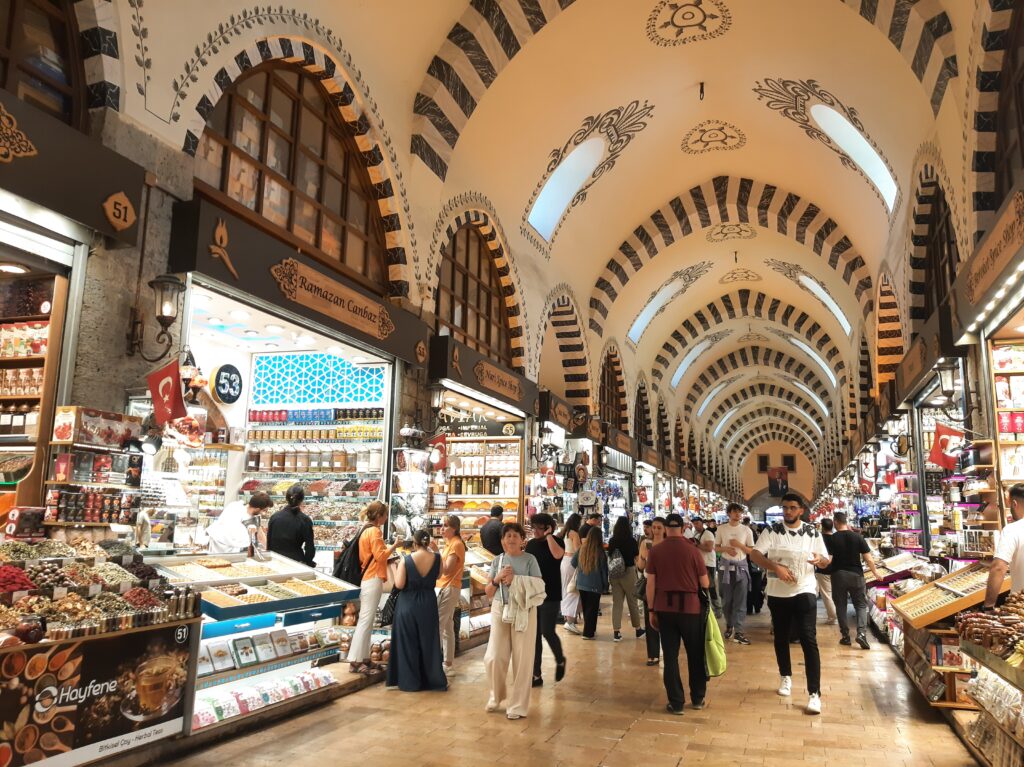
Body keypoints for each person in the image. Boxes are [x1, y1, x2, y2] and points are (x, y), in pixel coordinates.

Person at [736, 493, 831, 715]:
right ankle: (785, 677)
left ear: (801, 510)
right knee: (781, 636)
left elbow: (826, 560)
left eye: (792, 508)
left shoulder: (811, 532)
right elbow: (756, 555)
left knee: (808, 638)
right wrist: (774, 567)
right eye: (785, 507)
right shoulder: (772, 531)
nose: (788, 511)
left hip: (804, 589)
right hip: (778, 592)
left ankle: (814, 693)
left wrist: (820, 560)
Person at [646, 513, 710, 715]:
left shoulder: (656, 551)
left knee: (671, 657)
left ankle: (676, 702)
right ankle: (698, 698)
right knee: (695, 654)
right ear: (683, 529)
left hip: (665, 608)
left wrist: (650, 609)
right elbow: (705, 583)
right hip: (691, 609)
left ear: (665, 529)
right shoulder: (693, 550)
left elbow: (650, 584)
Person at [484, 523, 545, 720]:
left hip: (524, 610)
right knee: (494, 656)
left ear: (522, 540)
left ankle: (518, 706)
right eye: (507, 536)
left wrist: (515, 580)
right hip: (500, 608)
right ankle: (496, 695)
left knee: (523, 658)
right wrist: (497, 578)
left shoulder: (530, 560)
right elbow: (488, 591)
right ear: (502, 540)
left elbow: (539, 585)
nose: (511, 539)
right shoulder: (497, 561)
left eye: (514, 535)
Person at [385, 530, 448, 692]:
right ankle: (432, 679)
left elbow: (399, 584)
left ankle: (410, 682)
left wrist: (395, 569)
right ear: (427, 542)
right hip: (428, 602)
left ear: (415, 543)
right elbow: (440, 574)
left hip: (408, 603)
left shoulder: (406, 560)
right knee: (429, 642)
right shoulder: (437, 558)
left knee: (408, 642)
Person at [349, 500, 403, 675]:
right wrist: (394, 546)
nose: (387, 518)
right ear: (379, 516)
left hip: (367, 577)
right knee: (365, 621)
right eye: (385, 514)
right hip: (372, 578)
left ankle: (364, 658)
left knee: (368, 620)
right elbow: (380, 556)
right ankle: (355, 661)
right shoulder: (375, 531)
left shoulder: (365, 529)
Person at [525, 512, 566, 687]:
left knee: (547, 631)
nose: (535, 531)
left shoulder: (557, 542)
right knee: (534, 635)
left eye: (539, 528)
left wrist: (549, 535)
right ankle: (536, 674)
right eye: (533, 527)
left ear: (548, 528)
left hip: (551, 594)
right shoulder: (531, 545)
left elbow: (557, 556)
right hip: (533, 595)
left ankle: (560, 659)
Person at [830, 511, 882, 649]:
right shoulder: (858, 537)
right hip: (856, 575)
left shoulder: (832, 538)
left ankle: (845, 637)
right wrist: (875, 572)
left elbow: (828, 560)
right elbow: (868, 558)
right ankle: (861, 634)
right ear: (846, 521)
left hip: (838, 575)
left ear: (835, 522)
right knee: (860, 605)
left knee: (841, 605)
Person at [715, 502, 754, 645]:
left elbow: (751, 550)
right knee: (726, 601)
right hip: (725, 568)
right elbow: (716, 547)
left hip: (741, 568)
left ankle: (739, 631)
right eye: (735, 511)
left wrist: (739, 545)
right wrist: (726, 548)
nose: (738, 514)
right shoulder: (721, 529)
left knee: (740, 600)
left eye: (739, 512)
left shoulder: (746, 530)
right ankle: (729, 625)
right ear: (729, 513)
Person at [433, 514, 466, 677]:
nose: (442, 528)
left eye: (446, 525)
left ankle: (436, 663)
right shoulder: (450, 544)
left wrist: (435, 552)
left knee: (439, 625)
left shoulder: (456, 545)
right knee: (447, 627)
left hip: (449, 587)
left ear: (454, 528)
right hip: (445, 587)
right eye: (442, 525)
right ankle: (447, 663)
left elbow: (447, 569)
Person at [984, 484, 1024, 609]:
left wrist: (989, 606)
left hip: (1021, 607)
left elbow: (998, 568)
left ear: (1014, 504)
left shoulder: (1013, 530)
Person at [607, 516, 644, 642]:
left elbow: (610, 555)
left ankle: (616, 632)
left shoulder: (612, 540)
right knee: (632, 602)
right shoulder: (631, 540)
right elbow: (636, 557)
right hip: (628, 572)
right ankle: (638, 629)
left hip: (615, 573)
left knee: (617, 603)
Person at [636, 516, 667, 665]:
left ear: (665, 529)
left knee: (666, 619)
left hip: (666, 584)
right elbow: (641, 567)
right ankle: (653, 654)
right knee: (650, 618)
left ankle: (668, 650)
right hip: (650, 583)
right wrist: (642, 556)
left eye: (659, 527)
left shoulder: (669, 544)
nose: (655, 530)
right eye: (653, 527)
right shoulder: (645, 543)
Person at [571, 526, 609, 639]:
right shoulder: (600, 552)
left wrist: (582, 566)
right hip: (595, 585)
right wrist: (605, 585)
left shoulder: (582, 549)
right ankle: (588, 633)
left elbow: (573, 563)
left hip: (582, 583)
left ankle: (589, 630)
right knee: (592, 609)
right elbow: (604, 571)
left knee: (586, 608)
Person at [265, 484, 315, 566]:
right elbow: (309, 547)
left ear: (286, 498)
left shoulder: (274, 517)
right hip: (295, 561)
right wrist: (308, 562)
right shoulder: (305, 520)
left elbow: (269, 541)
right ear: (302, 499)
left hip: (275, 560)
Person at [207, 491, 272, 554]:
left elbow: (260, 535)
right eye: (264, 510)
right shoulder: (237, 512)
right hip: (226, 550)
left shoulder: (253, 516)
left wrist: (269, 550)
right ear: (257, 509)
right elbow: (229, 536)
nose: (264, 513)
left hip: (233, 549)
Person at [692, 518, 722, 618]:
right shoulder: (695, 534)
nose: (696, 525)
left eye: (697, 523)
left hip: (709, 563)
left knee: (711, 587)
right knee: (701, 587)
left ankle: (717, 609)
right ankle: (705, 608)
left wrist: (697, 545)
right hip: (700, 564)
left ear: (702, 524)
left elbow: (709, 548)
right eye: (694, 524)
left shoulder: (708, 533)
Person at [558, 513, 584, 634]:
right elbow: (578, 550)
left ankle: (567, 618)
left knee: (566, 589)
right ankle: (570, 620)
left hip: (565, 561)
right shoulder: (574, 534)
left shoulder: (565, 532)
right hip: (572, 562)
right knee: (573, 590)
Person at [815, 518, 837, 625]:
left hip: (823, 570)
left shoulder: (819, 538)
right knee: (835, 594)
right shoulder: (836, 538)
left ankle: (833, 617)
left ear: (822, 526)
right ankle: (837, 615)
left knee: (827, 594)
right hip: (836, 569)